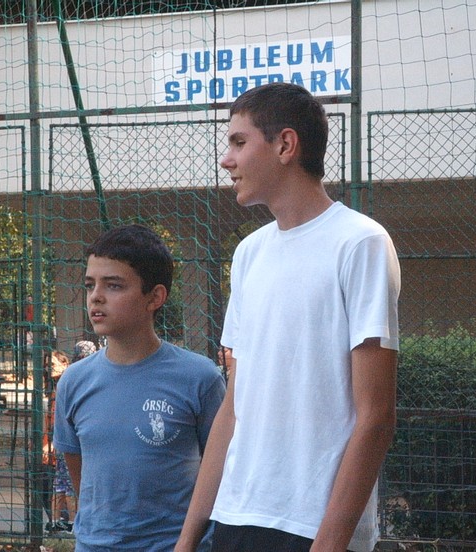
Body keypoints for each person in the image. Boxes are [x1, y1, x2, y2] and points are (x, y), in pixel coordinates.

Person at [175, 83, 401, 552]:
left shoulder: (360, 243)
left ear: (285, 145)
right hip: (236, 517)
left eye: (239, 141)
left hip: (313, 527)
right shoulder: (248, 254)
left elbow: (376, 417)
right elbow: (234, 407)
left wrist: (329, 543)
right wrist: (187, 539)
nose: (226, 160)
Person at [54, 224, 226, 551]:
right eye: (90, 285)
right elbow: (79, 470)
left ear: (155, 297)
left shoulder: (199, 378)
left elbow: (219, 469)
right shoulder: (73, 382)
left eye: (114, 285)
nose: (96, 296)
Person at [42, 349, 74, 535]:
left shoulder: (67, 386)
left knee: (68, 485)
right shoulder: (55, 388)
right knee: (60, 484)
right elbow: (50, 418)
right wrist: (47, 440)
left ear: (65, 364)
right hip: (57, 441)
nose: (49, 368)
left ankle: (71, 523)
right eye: (48, 365)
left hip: (66, 441)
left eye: (53, 364)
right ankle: (57, 522)